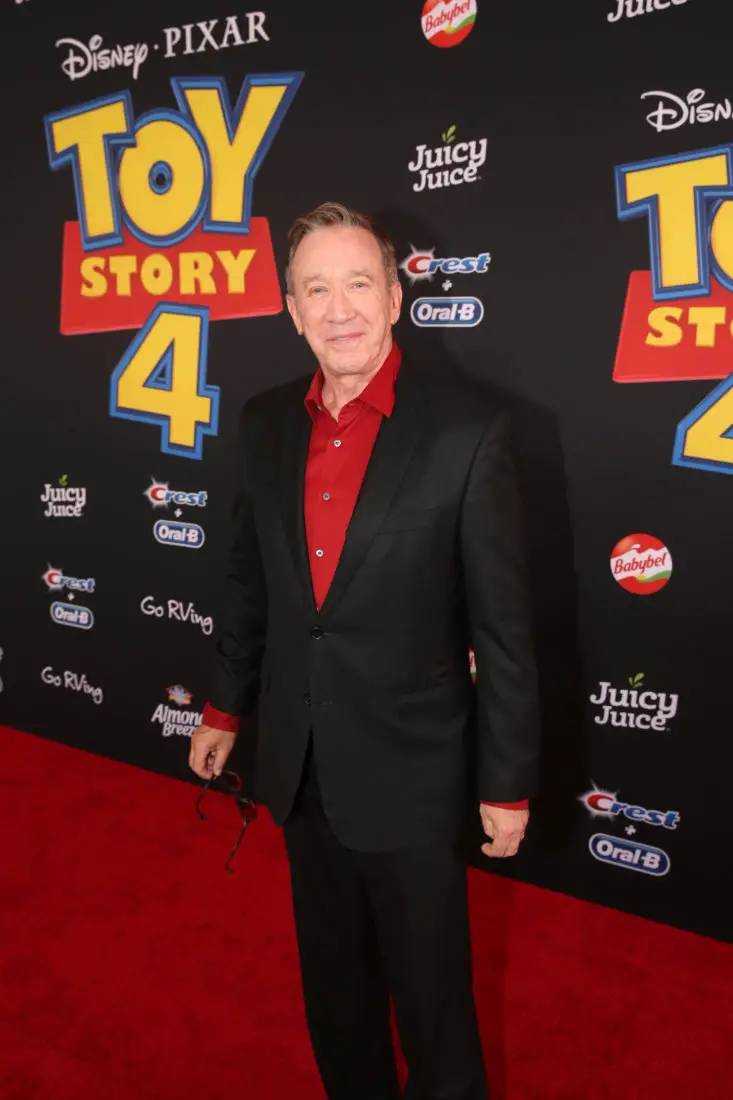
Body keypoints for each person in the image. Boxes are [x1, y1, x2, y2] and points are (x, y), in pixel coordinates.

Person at [189, 202, 540, 1100]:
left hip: (414, 778)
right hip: (301, 770)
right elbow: (248, 581)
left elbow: (503, 628)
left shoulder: (470, 431)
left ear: (394, 297)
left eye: (357, 284)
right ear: (291, 311)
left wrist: (505, 782)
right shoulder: (263, 422)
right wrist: (224, 706)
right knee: (336, 1000)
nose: (338, 308)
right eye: (316, 290)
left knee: (435, 1012)